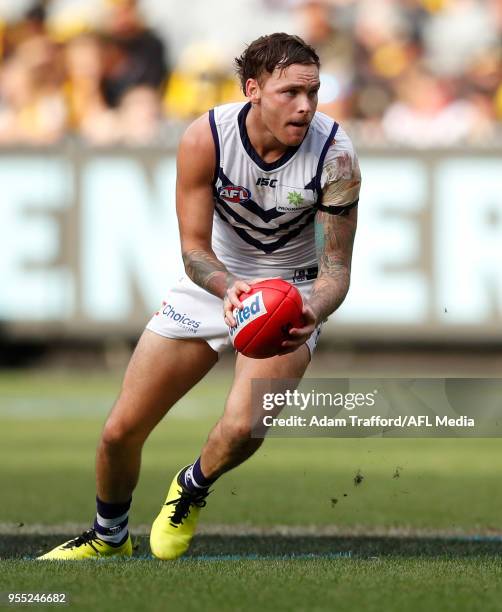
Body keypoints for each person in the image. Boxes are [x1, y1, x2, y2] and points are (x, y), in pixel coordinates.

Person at [38, 32, 361, 561]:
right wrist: (227, 287)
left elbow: (336, 272)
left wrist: (314, 308)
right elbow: (193, 249)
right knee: (120, 430)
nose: (305, 105)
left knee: (241, 426)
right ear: (252, 90)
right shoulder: (205, 137)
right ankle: (107, 536)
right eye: (290, 92)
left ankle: (191, 486)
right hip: (215, 282)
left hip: (292, 291)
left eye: (314, 92)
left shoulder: (337, 156)